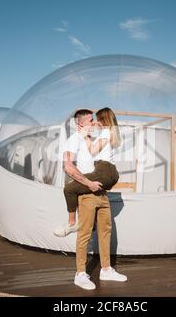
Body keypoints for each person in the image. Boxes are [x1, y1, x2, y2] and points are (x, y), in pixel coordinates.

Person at [54, 108, 127, 290]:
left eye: (95, 120)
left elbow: (98, 152)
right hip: (87, 193)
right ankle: (80, 274)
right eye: (90, 121)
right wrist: (89, 183)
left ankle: (106, 269)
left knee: (105, 231)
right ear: (80, 124)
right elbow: (68, 167)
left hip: (101, 192)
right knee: (85, 233)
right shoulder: (73, 141)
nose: (94, 123)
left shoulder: (94, 138)